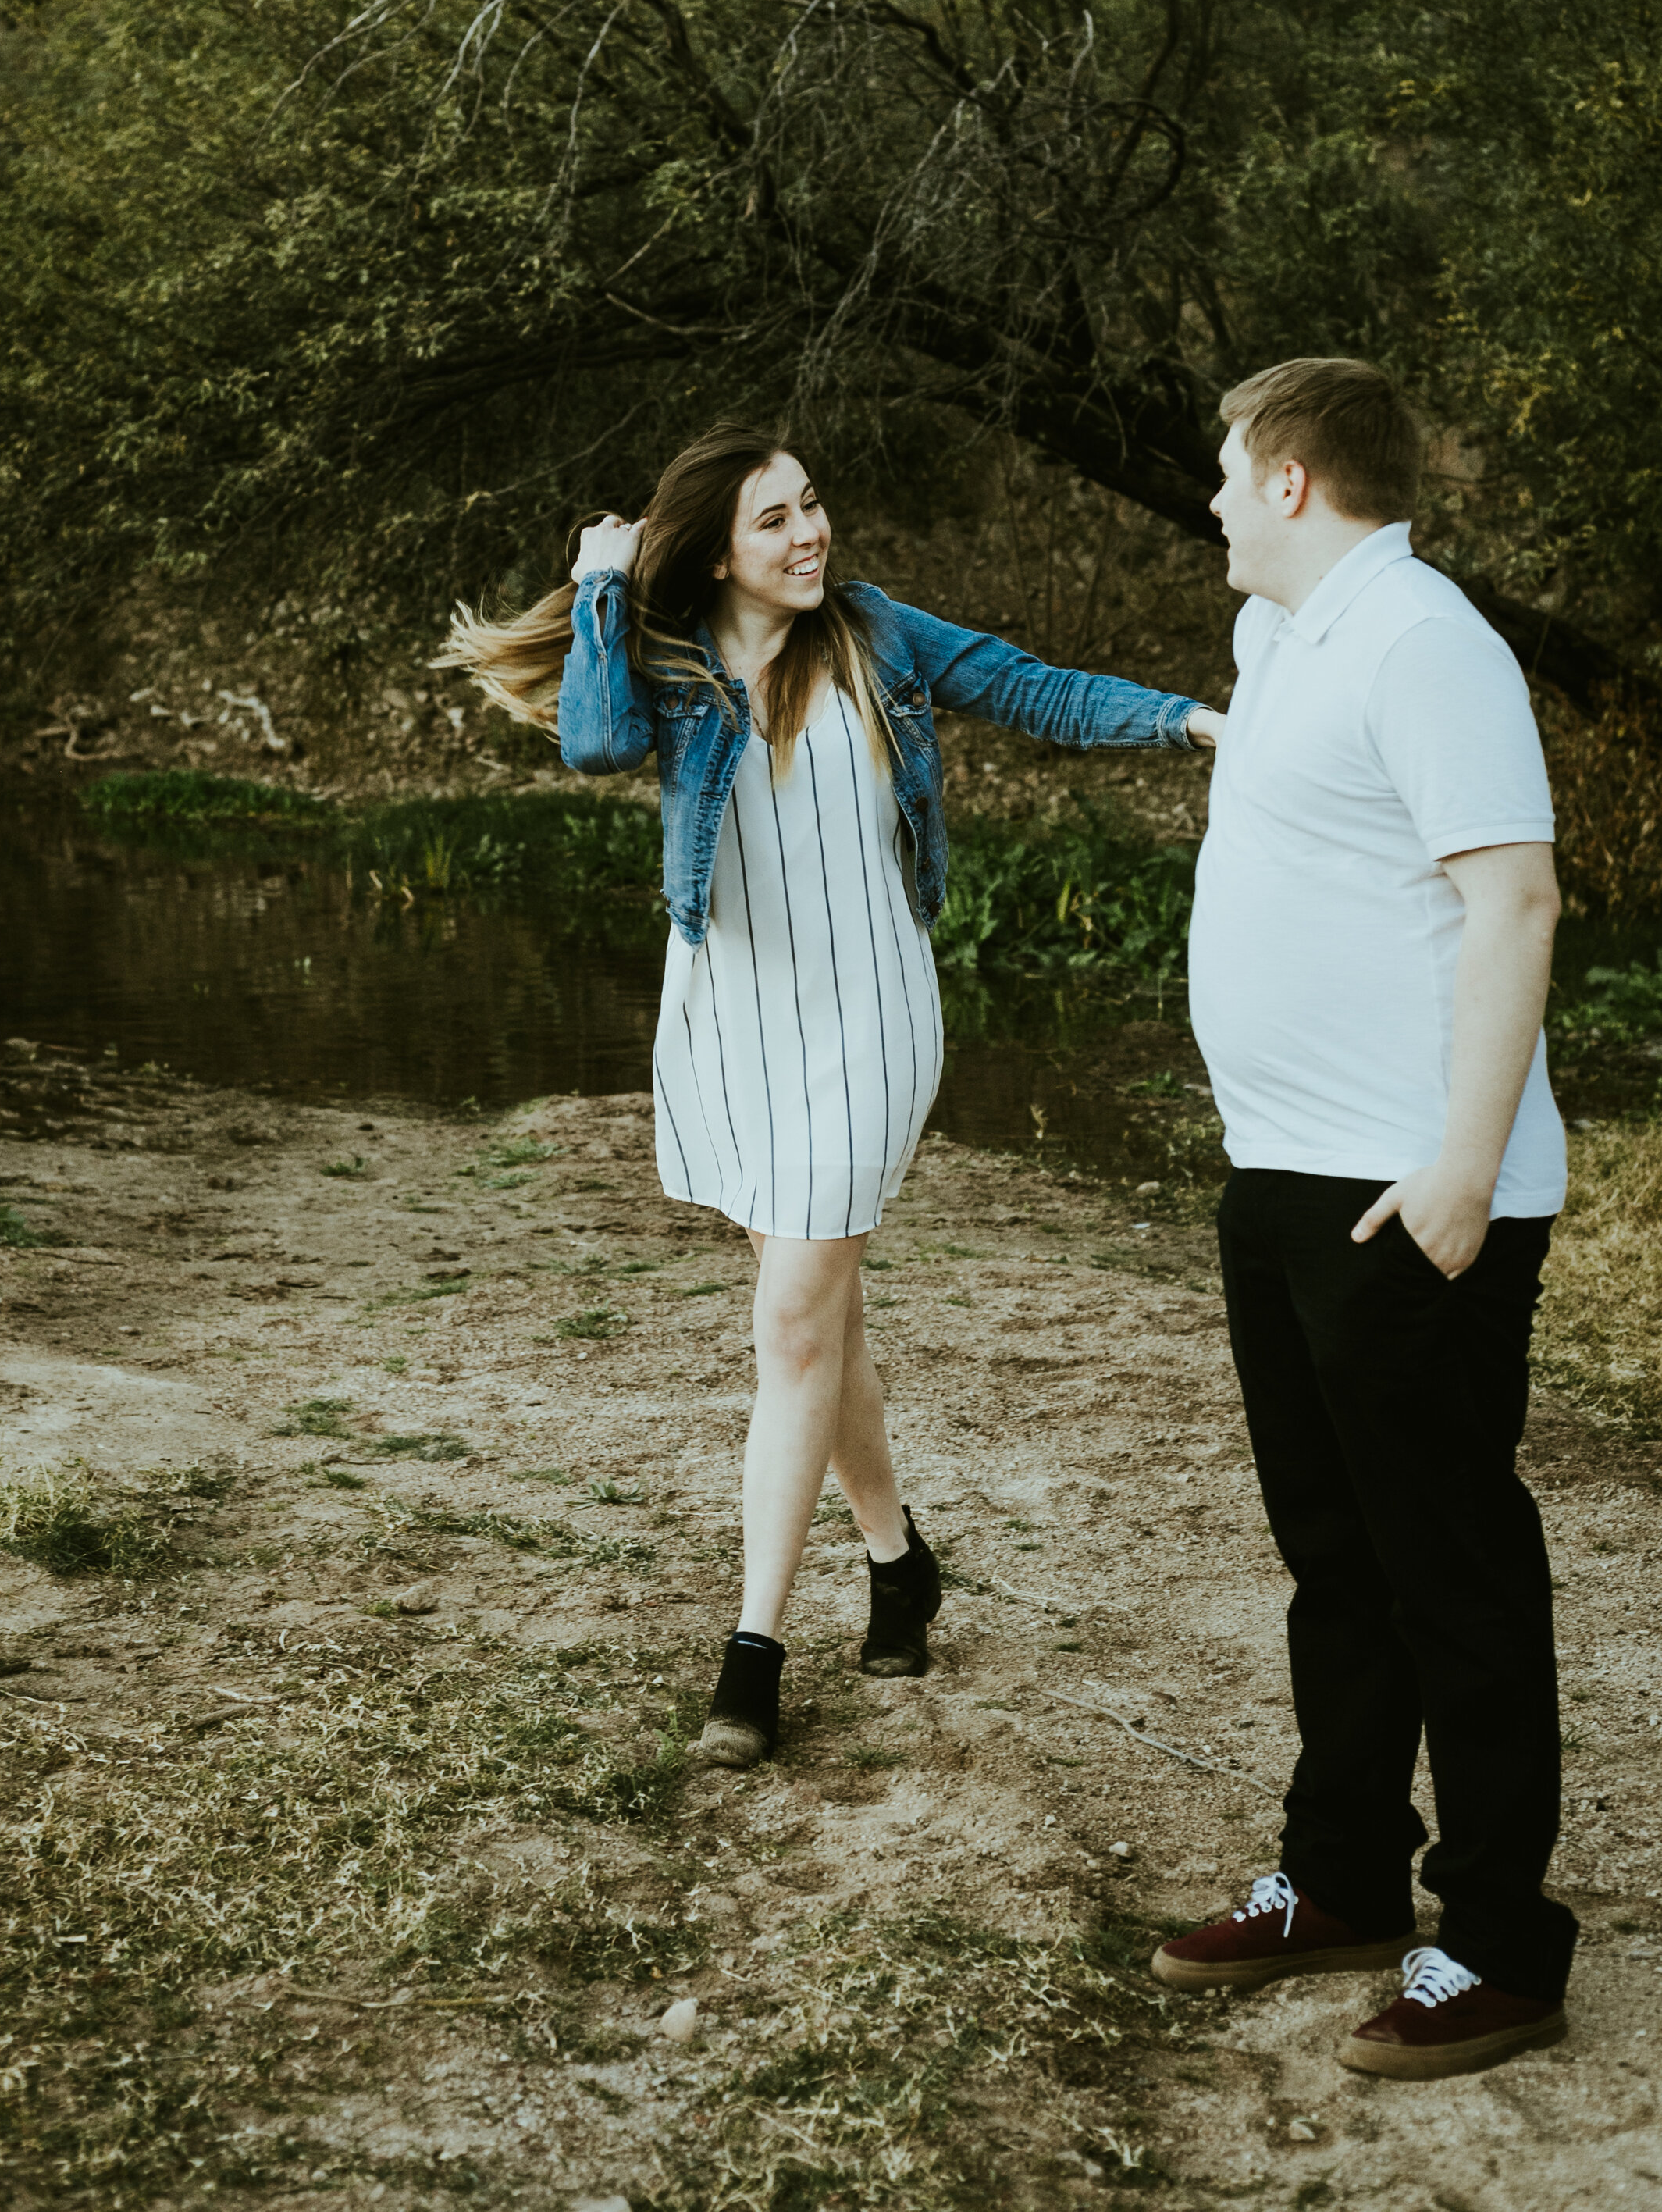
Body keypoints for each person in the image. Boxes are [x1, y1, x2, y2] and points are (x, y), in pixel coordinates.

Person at [442, 421, 1223, 1767]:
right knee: (822, 1316)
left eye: (812, 506)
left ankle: (752, 1655)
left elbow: (1031, 688)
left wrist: (1187, 718)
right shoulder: (666, 655)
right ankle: (899, 1559)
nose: (810, 534)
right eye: (774, 521)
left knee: (793, 1323)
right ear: (713, 550)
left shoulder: (874, 635)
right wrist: (599, 588)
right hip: (731, 1019)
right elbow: (592, 742)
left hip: (869, 1018)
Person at [1151, 357, 1575, 2083]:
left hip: (1413, 1190)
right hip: (1284, 1171)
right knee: (1334, 1551)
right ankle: (1338, 1872)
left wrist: (1463, 1166)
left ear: (1293, 481)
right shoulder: (1285, 639)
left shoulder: (1425, 644)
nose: (1208, 503)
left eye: (1225, 476)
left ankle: (1494, 1942)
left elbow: (1515, 895)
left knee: (1447, 1562)